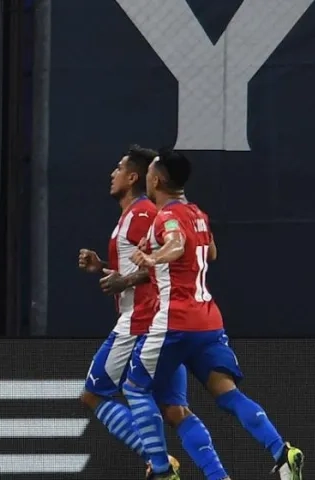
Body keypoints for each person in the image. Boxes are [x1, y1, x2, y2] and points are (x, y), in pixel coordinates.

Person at [123, 149, 304, 480]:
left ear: (157, 179)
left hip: (173, 323)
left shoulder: (168, 216)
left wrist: (153, 258)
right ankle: (282, 452)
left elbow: (176, 245)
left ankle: (163, 470)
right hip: (208, 321)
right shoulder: (198, 214)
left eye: (149, 172)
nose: (147, 178)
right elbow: (211, 251)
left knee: (135, 388)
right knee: (227, 394)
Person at [78, 146, 226, 478]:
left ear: (134, 177)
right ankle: (217, 475)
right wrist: (101, 267)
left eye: (118, 168)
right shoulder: (133, 215)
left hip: (141, 321)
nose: (111, 174)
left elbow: (160, 265)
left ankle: (159, 463)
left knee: (94, 393)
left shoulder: (145, 212)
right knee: (175, 409)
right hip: (159, 319)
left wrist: (125, 280)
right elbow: (134, 268)